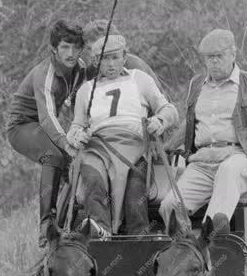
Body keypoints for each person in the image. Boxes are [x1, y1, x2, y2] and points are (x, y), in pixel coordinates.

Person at [159, 28, 247, 233]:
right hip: (201, 163)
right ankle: (187, 253)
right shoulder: (197, 85)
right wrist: (165, 147)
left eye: (219, 56)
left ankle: (211, 240)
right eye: (209, 58)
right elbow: (191, 123)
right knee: (170, 206)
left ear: (233, 54)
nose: (214, 62)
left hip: (240, 158)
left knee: (228, 171)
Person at [67, 34, 178, 235]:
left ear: (124, 57)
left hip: (135, 147)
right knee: (93, 180)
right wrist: (75, 135)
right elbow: (76, 125)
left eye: (115, 57)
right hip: (97, 148)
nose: (110, 64)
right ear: (96, 62)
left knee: (135, 188)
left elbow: (169, 110)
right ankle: (100, 233)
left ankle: (138, 241)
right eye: (104, 59)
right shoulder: (86, 90)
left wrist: (159, 121)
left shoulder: (140, 79)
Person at [6, 19, 85, 247]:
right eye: (64, 47)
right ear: (54, 48)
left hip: (44, 126)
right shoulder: (45, 74)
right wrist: (66, 141)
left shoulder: (80, 69)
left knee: (77, 165)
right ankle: (46, 225)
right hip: (22, 126)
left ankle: (71, 222)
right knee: (55, 156)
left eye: (75, 47)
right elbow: (47, 116)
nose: (71, 53)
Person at [81, 20, 160, 85]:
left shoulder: (133, 66)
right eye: (89, 49)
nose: (92, 54)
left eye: (99, 49)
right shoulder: (91, 71)